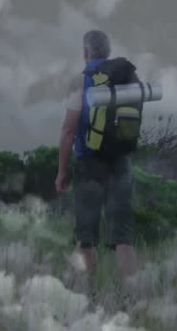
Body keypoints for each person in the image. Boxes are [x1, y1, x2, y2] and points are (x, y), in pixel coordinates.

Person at [56, 29, 138, 294]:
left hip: (89, 164)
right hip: (122, 163)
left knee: (86, 237)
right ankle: (134, 301)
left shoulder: (80, 81)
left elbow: (68, 130)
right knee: (123, 238)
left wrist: (61, 173)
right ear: (108, 52)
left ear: (85, 53)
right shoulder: (127, 76)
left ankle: (87, 296)